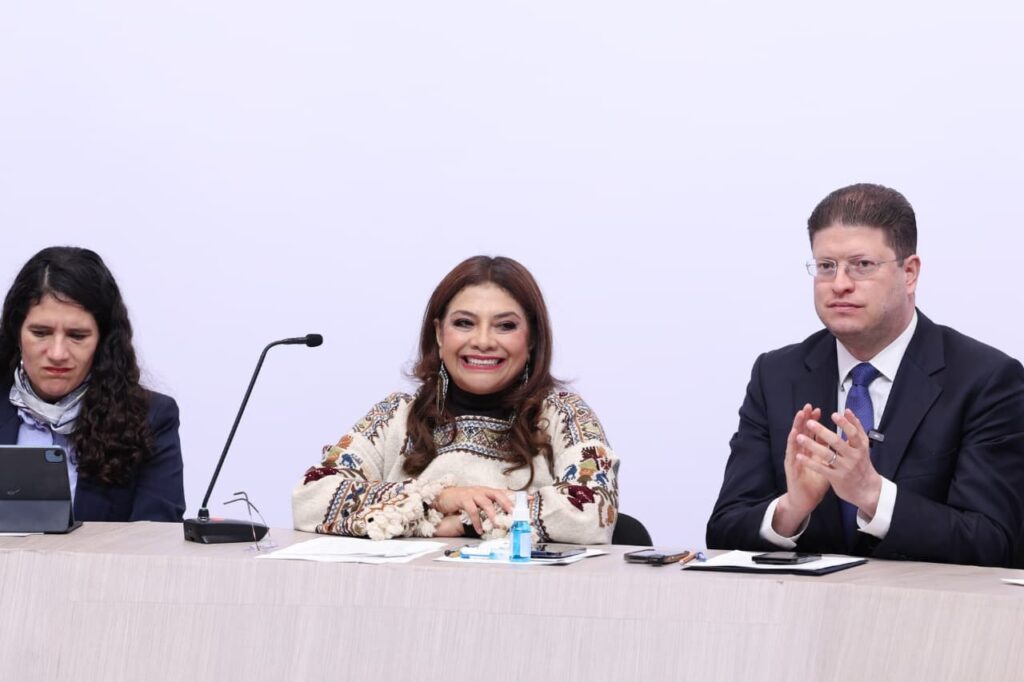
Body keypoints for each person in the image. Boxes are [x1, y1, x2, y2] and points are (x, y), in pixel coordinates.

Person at [706, 183, 1024, 567]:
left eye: (862, 265)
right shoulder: (776, 375)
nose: (840, 283)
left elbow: (993, 541)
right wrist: (792, 509)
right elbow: (723, 530)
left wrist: (873, 495)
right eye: (826, 266)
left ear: (910, 273)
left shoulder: (986, 380)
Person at [293, 255, 618, 543]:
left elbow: (592, 511)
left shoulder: (564, 415)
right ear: (439, 333)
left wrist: (463, 524)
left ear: (531, 338)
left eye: (505, 326)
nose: (483, 341)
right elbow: (311, 497)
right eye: (464, 323)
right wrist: (437, 499)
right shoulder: (396, 415)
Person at [0, 246, 185, 522]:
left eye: (77, 336)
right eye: (40, 333)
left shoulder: (151, 418)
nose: (58, 353)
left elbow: (156, 536)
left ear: (102, 341)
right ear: (17, 332)